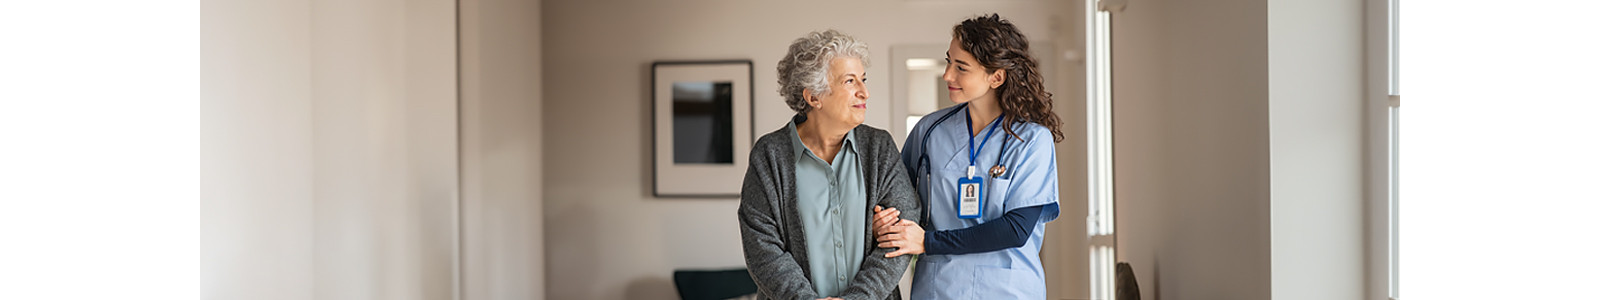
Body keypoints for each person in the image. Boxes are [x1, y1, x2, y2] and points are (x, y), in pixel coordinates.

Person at [872, 14, 1064, 299]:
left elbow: (1016, 229)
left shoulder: (1032, 141)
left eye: (961, 67)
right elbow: (895, 199)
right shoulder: (929, 130)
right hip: (938, 288)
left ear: (996, 77)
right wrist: (883, 220)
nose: (947, 75)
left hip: (1007, 291)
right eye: (949, 61)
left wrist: (928, 242)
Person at [738, 29, 921, 300]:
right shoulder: (770, 155)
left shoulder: (879, 147)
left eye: (863, 79)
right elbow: (762, 247)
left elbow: (901, 234)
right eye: (850, 81)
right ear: (814, 97)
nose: (865, 92)